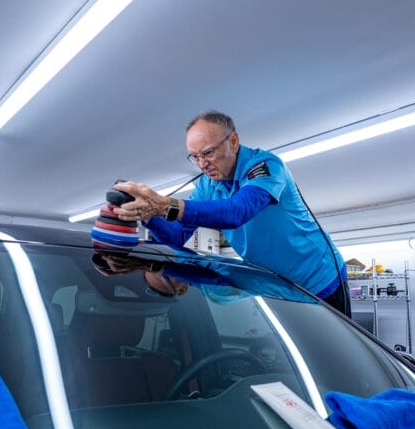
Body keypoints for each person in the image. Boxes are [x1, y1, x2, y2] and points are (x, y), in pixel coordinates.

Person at [113, 110, 351, 316]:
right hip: (279, 287)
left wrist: (164, 206)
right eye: (195, 156)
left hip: (321, 280)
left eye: (207, 152)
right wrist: (148, 216)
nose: (202, 164)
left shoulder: (266, 166)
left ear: (234, 141)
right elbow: (181, 236)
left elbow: (237, 211)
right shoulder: (208, 186)